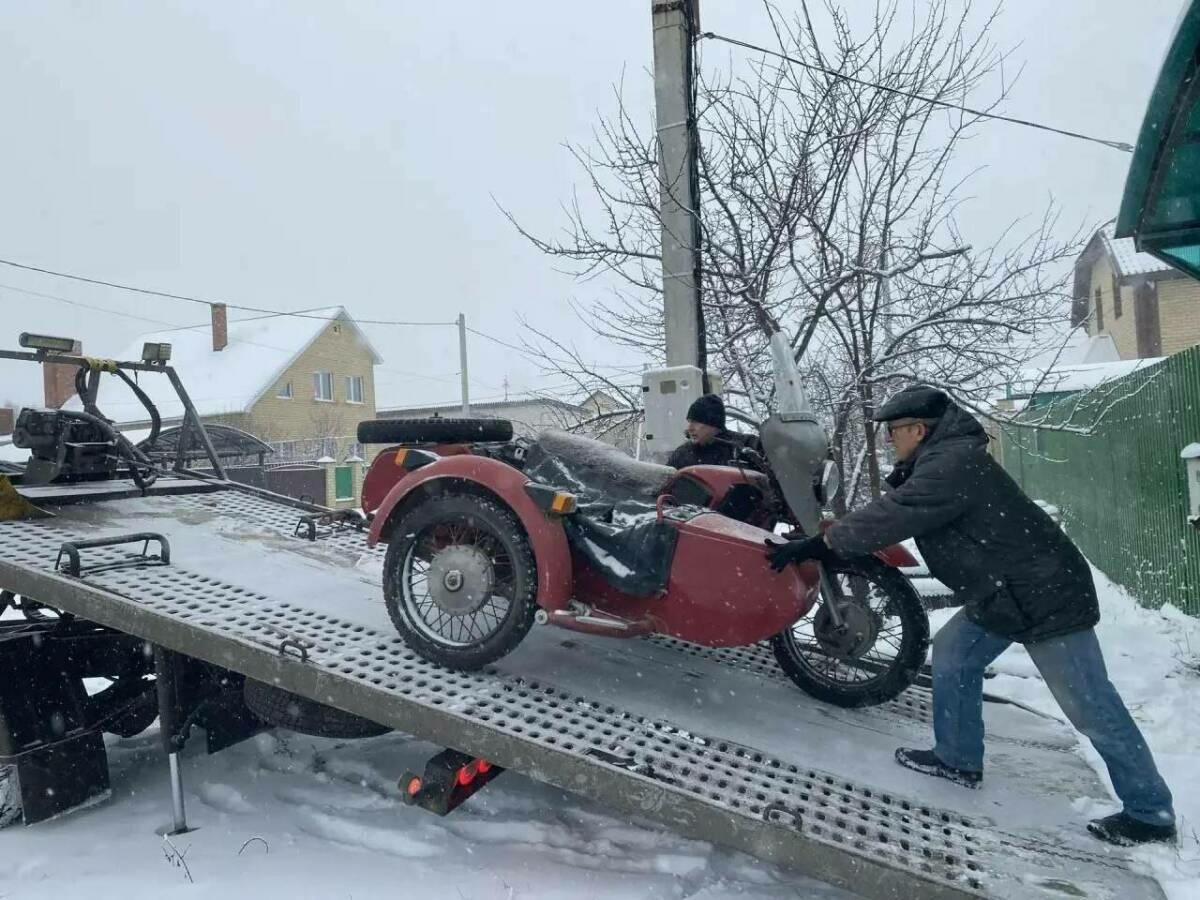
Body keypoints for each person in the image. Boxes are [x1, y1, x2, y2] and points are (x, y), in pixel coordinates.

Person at [765, 385, 1176, 847]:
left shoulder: (952, 464)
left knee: (1089, 704)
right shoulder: (944, 459)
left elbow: (896, 513)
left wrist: (821, 544)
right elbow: (900, 506)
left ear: (919, 430)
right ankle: (957, 758)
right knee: (955, 653)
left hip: (1043, 594)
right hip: (1002, 592)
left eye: (894, 431)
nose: (889, 440)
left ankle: (1149, 812)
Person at [667, 394, 759, 469]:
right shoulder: (682, 455)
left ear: (713, 424)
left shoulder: (746, 445)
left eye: (696, 422)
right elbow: (665, 482)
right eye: (689, 422)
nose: (690, 428)